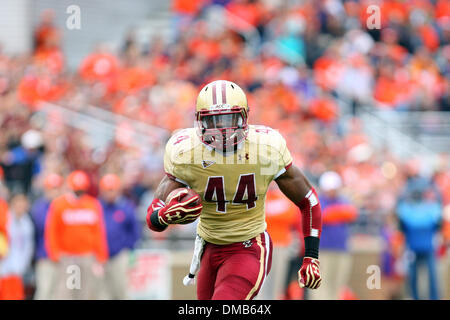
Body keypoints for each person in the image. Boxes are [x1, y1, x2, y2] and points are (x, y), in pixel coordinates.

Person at [146, 80, 323, 300]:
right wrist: (163, 216)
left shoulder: (265, 148)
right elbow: (152, 219)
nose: (222, 129)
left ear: (245, 117)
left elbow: (308, 200)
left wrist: (311, 256)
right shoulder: (186, 151)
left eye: (229, 119)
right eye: (214, 120)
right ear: (199, 120)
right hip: (209, 247)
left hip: (249, 247)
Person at [44, 170, 108, 300]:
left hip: (87, 255)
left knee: (87, 292)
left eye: (81, 190)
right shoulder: (59, 204)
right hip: (67, 256)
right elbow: (51, 232)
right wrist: (55, 254)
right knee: (66, 292)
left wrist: (101, 256)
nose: (79, 193)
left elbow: (98, 232)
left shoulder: (92, 204)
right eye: (76, 189)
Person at [308, 171, 358, 300]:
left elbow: (352, 213)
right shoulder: (318, 201)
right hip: (322, 250)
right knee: (320, 285)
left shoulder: (343, 200)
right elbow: (321, 216)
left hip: (341, 249)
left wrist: (333, 215)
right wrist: (338, 214)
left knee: (337, 285)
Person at [396, 175, 442, 300]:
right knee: (413, 278)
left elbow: (437, 223)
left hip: (427, 248)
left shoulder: (424, 209)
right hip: (413, 249)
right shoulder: (428, 209)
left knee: (432, 277)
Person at [98, 173, 140, 300]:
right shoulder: (97, 207)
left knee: (121, 292)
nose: (109, 193)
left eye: (111, 190)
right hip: (100, 257)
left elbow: (135, 231)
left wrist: (129, 250)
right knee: (102, 294)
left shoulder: (126, 207)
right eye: (107, 190)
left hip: (120, 256)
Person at [30, 173, 64, 300]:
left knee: (61, 293)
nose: (53, 192)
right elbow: (45, 227)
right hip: (45, 257)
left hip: (64, 257)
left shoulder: (65, 206)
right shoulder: (39, 208)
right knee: (45, 292)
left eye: (56, 188)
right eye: (51, 188)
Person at [0, 193, 34, 300]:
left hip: (18, 268)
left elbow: (29, 245)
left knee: (16, 295)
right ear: (12, 204)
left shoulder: (27, 222)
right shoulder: (4, 218)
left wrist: (24, 263)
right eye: (18, 203)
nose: (20, 206)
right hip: (4, 266)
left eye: (23, 204)